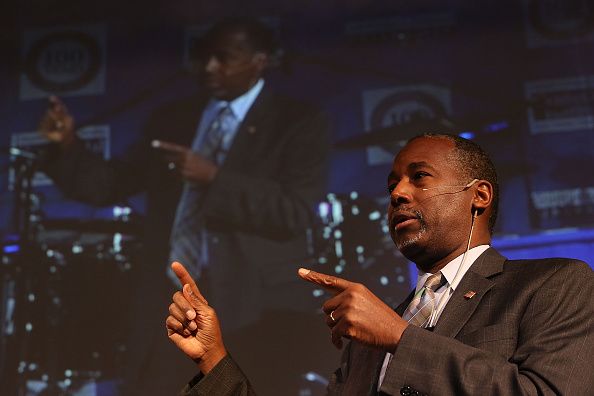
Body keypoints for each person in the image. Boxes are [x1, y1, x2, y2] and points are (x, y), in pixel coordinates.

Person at [166, 133, 594, 395]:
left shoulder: (553, 285)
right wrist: (214, 358)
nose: (397, 194)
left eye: (419, 177)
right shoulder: (369, 338)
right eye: (392, 184)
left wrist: (398, 337)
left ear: (479, 195)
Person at [38, 17, 331, 395]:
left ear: (260, 61)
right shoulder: (173, 119)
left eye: (224, 58)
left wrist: (215, 178)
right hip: (169, 304)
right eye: (206, 57)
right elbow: (108, 185)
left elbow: (294, 211)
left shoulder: (297, 121)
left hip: (253, 310)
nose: (210, 68)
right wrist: (66, 146)